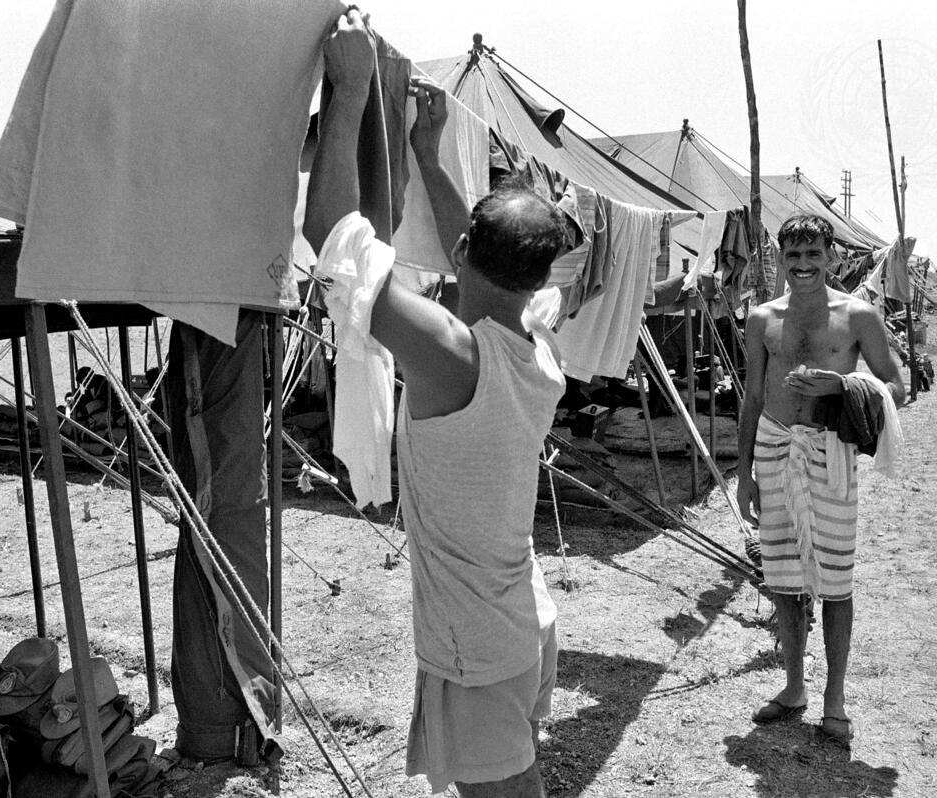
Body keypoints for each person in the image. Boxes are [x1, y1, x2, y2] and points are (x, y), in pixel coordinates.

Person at [303, 10, 568, 796]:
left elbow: (334, 239)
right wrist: (425, 150)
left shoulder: (456, 358)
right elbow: (477, 253)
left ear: (461, 254)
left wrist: (351, 90)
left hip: (479, 642)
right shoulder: (538, 341)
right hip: (519, 619)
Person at [735, 214, 905, 745]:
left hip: (830, 451)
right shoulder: (761, 318)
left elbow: (898, 387)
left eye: (813, 254)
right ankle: (793, 688)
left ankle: (835, 699)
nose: (803, 265)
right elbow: (753, 396)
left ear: (831, 256)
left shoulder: (857, 315)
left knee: (835, 581)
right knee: (782, 577)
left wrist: (845, 385)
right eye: (793, 255)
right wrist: (744, 472)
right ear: (780, 259)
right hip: (774, 447)